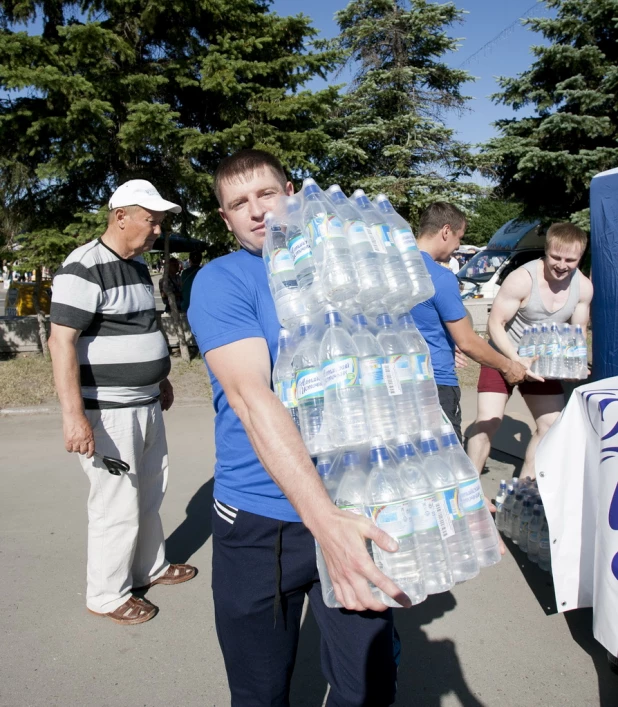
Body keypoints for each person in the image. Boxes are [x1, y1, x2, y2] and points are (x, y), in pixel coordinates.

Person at [188, 149, 404, 707]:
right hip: (261, 524)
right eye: (239, 203)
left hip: (353, 508)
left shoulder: (343, 272)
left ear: (290, 191)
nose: (257, 211)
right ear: (226, 220)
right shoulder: (223, 280)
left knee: (368, 687)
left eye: (266, 194)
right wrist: (321, 520)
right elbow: (251, 398)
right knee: (260, 694)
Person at [48, 179, 196, 626]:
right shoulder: (84, 267)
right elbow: (61, 343)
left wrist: (161, 378)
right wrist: (74, 418)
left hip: (146, 402)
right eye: (151, 221)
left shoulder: (134, 266)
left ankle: (148, 568)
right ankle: (107, 594)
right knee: (116, 501)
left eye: (161, 223)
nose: (157, 231)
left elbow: (141, 328)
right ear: (121, 217)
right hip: (108, 412)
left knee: (150, 490)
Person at [466, 223, 593, 479]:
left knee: (550, 425)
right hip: (503, 356)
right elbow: (495, 324)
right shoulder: (522, 279)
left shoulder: (583, 287)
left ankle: (524, 486)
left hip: (541, 363)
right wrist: (514, 361)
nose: (562, 265)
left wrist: (573, 364)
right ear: (546, 251)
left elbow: (576, 332)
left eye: (570, 260)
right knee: (488, 422)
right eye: (556, 257)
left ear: (580, 257)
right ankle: (470, 492)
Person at [410, 202, 529, 442]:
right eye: (459, 237)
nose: (457, 247)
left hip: (399, 382)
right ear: (446, 231)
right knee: (446, 466)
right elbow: (468, 342)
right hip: (436, 385)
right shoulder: (440, 277)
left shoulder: (392, 270)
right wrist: (508, 367)